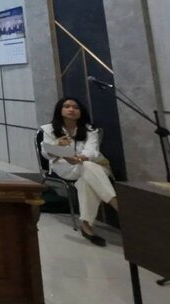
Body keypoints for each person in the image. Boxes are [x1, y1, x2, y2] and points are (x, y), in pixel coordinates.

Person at [40, 97, 117, 246]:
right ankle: (116, 204)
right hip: (64, 167)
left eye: (75, 107)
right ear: (60, 110)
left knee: (85, 178)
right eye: (67, 106)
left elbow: (93, 152)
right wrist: (58, 145)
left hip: (93, 166)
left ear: (81, 112)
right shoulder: (49, 129)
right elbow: (46, 153)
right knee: (87, 168)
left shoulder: (90, 130)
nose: (71, 110)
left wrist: (80, 158)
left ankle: (86, 226)